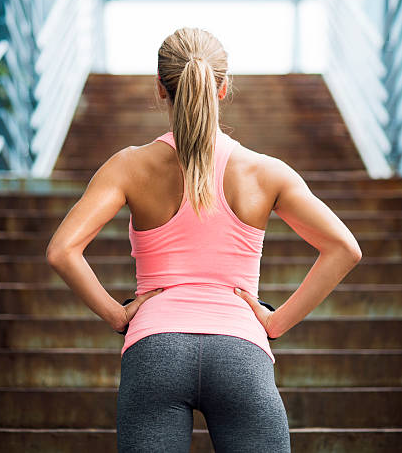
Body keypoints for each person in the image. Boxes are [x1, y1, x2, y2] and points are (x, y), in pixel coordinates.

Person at [46, 27, 362, 453]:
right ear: (224, 86)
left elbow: (62, 250)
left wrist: (117, 316)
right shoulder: (265, 172)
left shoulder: (128, 166)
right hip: (241, 351)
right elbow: (345, 248)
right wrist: (276, 321)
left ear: (160, 88)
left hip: (154, 348)